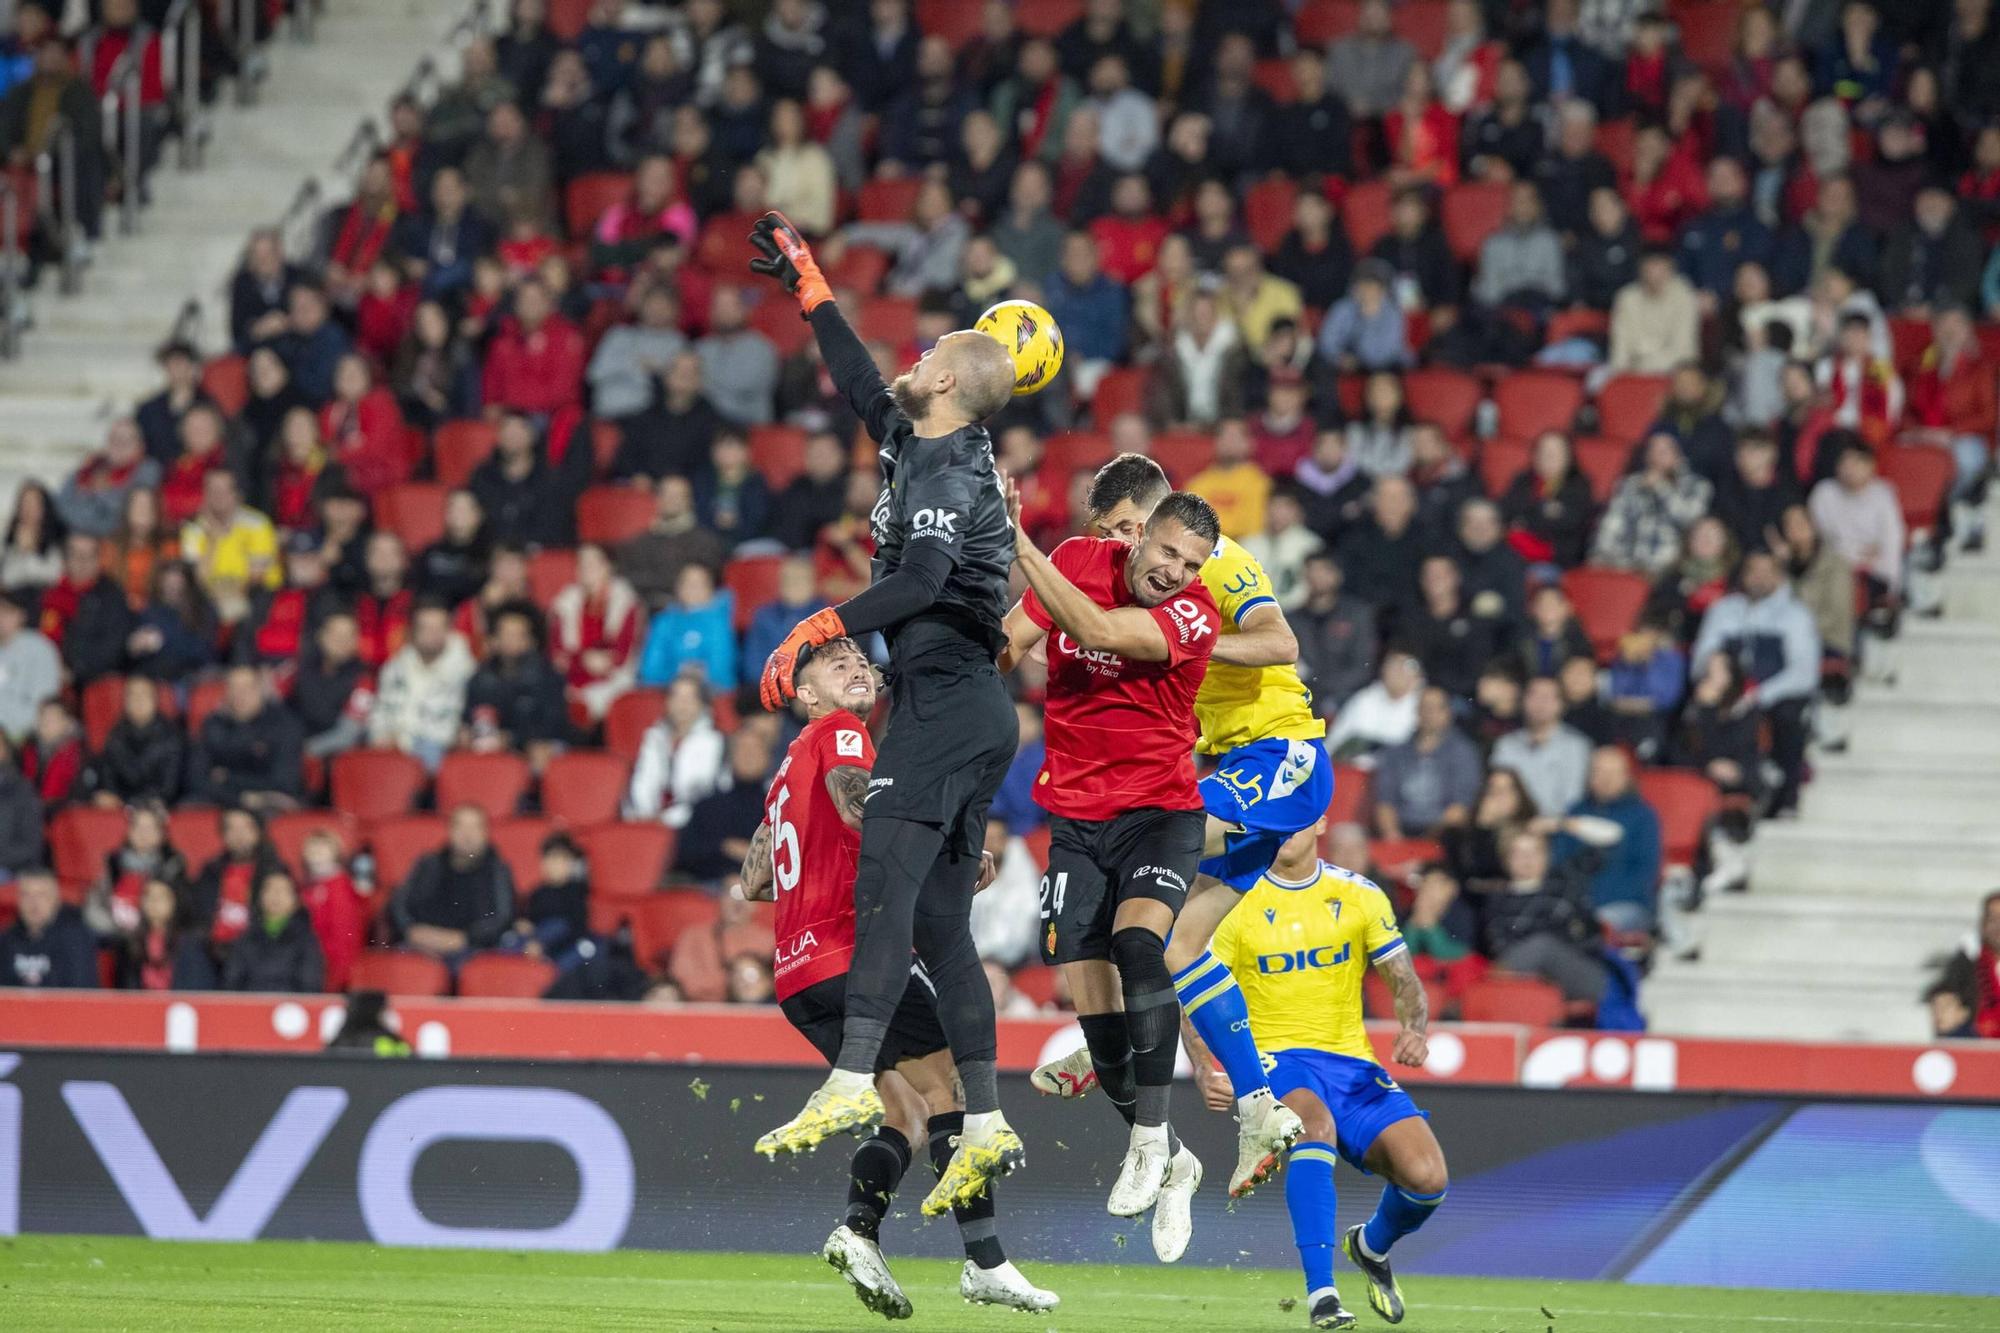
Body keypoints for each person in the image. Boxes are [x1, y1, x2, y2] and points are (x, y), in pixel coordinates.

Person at [744, 212, 1024, 1207]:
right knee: (943, 926)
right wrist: (811, 289)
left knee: (884, 896)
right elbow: (863, 382)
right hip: (958, 705)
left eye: (932, 352)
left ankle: (849, 1078)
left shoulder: (952, 465)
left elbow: (922, 577)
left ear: (950, 379)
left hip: (947, 701)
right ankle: (984, 1120)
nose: (915, 357)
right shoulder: (917, 441)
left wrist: (817, 623)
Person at [1024, 455, 1321, 1199]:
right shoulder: (1127, 568)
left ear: (1155, 514)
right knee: (1177, 944)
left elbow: (1282, 643)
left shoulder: (1214, 566)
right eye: (1113, 534)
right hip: (1220, 757)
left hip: (1278, 750)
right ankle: (1257, 1106)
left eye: (1132, 529)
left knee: (1155, 827)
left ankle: (1108, 1044)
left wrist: (1165, 635)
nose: (1123, 546)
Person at [739, 638, 1053, 1316]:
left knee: (904, 1113)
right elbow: (860, 809)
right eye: (835, 663)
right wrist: (941, 855)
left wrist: (826, 881)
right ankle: (986, 1261)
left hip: (797, 975)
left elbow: (754, 880)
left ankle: (858, 1229)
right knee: (956, 1092)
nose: (857, 666)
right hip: (853, 959)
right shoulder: (844, 733)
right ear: (807, 695)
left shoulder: (784, 766)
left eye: (860, 658)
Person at [992, 484, 1221, 1254]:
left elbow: (1091, 626)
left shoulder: (1194, 614)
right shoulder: (1078, 560)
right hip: (1077, 822)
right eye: (1167, 551)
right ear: (1139, 536)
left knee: (1138, 946)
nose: (1175, 570)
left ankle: (1152, 1138)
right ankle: (1175, 1160)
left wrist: (1020, 541)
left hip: (1160, 812)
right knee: (1101, 1031)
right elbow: (1011, 640)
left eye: (1191, 563)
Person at [1208, 822, 1448, 1330]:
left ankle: (1369, 1246)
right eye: (1275, 820)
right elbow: (1194, 990)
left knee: (1428, 1179)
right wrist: (1204, 1064)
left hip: (1351, 1062)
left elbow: (1402, 978)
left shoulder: (1359, 895)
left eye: (1298, 817)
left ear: (1319, 821)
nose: (1286, 830)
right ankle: (1322, 1293)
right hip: (1273, 1057)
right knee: (1314, 1129)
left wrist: (1414, 1028)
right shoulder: (1232, 899)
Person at [1691, 550, 1821, 815]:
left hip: (1772, 695)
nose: (1759, 578)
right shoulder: (1724, 609)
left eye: (1767, 571)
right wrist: (1720, 684)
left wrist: (1758, 695)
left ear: (1778, 576)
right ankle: (1705, 791)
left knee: (1789, 716)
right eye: (1753, 571)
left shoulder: (1795, 615)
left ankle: (1785, 796)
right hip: (1727, 690)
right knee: (1697, 710)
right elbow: (1702, 657)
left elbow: (1804, 672)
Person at [389, 804, 516, 965]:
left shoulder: (498, 870)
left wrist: (464, 938)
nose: (467, 835)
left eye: (474, 827)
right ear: (450, 831)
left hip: (471, 949)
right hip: (420, 944)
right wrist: (410, 930)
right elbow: (399, 903)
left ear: (486, 833)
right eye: (460, 826)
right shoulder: (429, 864)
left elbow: (503, 918)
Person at [370, 598, 476, 771]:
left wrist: (409, 742)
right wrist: (381, 736)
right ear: (412, 632)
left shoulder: (466, 671)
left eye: (438, 628)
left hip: (437, 750)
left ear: (449, 631)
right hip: (390, 746)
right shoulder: (395, 667)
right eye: (426, 628)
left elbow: (457, 725)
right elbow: (379, 710)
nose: (432, 634)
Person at [462, 602, 568, 771]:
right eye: (506, 634)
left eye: (519, 635)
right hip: (492, 742)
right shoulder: (480, 677)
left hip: (535, 744)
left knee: (540, 753)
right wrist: (468, 734)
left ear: (531, 641)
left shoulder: (548, 677)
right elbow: (470, 717)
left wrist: (512, 739)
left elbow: (552, 725)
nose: (512, 641)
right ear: (494, 640)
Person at [1373, 687, 1483, 840]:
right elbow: (1385, 802)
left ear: (1449, 713)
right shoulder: (1395, 753)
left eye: (1436, 708)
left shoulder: (1464, 753)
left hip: (1444, 836)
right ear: (1416, 712)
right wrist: (1394, 838)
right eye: (1424, 707)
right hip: (1401, 833)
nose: (1429, 713)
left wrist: (1426, 842)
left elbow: (1461, 809)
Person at [1491, 675, 1593, 815]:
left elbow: (1573, 800)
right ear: (1523, 701)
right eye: (1534, 695)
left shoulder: (1577, 746)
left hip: (1558, 827)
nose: (1540, 703)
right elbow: (1497, 793)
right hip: (1511, 827)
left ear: (1562, 704)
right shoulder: (1506, 745)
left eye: (1548, 697)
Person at [187, 807, 285, 951]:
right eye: (231, 829)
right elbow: (199, 914)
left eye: (245, 828)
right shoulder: (210, 872)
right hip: (214, 947)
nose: (239, 835)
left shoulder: (274, 870)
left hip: (257, 946)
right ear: (223, 835)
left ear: (258, 832)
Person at [223, 870, 327, 993]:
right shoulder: (245, 938)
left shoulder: (306, 940)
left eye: (283, 890)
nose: (276, 895)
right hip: (251, 1007)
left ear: (296, 900)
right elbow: (232, 982)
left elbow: (310, 984)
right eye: (269, 889)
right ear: (260, 897)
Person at [85, 676, 183, 806]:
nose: (138, 700)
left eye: (144, 694)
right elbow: (108, 780)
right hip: (121, 806)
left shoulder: (172, 737)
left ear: (155, 700)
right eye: (132, 695)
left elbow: (169, 789)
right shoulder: (115, 736)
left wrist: (129, 802)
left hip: (157, 807)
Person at [117, 876, 217, 991]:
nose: (153, 902)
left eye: (161, 897)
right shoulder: (132, 943)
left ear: (174, 902)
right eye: (148, 896)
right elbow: (125, 990)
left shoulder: (190, 944)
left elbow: (200, 986)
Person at [1, 870, 97, 988]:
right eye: (27, 895)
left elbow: (81, 994)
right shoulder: (6, 941)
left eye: (42, 895)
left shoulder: (77, 941)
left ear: (56, 900)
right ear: (18, 900)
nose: (34, 903)